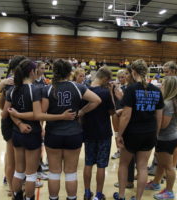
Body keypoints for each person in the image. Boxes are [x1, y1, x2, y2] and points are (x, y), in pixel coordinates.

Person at [33, 59, 101, 200]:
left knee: (54, 172)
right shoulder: (78, 87)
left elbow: (42, 114)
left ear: (55, 71)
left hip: (53, 134)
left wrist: (55, 119)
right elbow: (97, 100)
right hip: (74, 134)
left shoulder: (48, 89)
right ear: (70, 71)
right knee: (70, 172)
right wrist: (81, 111)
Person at [113, 59, 164, 200]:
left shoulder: (132, 89)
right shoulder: (156, 90)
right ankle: (138, 198)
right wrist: (156, 134)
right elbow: (159, 117)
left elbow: (126, 116)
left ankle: (122, 195)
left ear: (133, 72)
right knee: (142, 167)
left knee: (123, 164)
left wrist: (119, 135)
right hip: (149, 133)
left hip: (132, 133)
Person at [1, 59, 42, 200]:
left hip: (17, 133)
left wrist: (18, 121)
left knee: (19, 171)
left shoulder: (12, 90)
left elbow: (6, 112)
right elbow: (37, 114)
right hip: (32, 132)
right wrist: (20, 115)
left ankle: (17, 197)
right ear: (32, 72)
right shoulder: (35, 90)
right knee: (30, 174)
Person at [146, 76, 177, 200]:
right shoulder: (174, 100)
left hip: (166, 139)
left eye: (163, 84)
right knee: (161, 164)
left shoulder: (168, 103)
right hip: (170, 137)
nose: (161, 86)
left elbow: (163, 124)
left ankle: (169, 191)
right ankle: (156, 183)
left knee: (168, 166)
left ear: (168, 87)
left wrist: (151, 117)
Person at [0, 55, 27, 197]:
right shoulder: (12, 82)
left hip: (13, 121)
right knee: (12, 160)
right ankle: (13, 188)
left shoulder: (16, 81)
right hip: (11, 122)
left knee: (12, 156)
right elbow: (3, 107)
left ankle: (14, 185)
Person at [82, 67, 115, 200]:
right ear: (106, 79)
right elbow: (112, 112)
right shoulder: (105, 93)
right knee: (101, 165)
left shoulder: (84, 90)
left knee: (88, 163)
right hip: (103, 133)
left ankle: (87, 192)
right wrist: (111, 93)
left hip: (88, 132)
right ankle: (98, 195)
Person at [111, 69, 127, 160]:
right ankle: (118, 151)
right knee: (116, 133)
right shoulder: (115, 87)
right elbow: (113, 101)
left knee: (124, 133)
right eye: (119, 77)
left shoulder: (128, 87)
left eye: (123, 77)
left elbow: (127, 102)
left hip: (124, 112)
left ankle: (125, 151)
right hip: (116, 112)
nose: (121, 79)